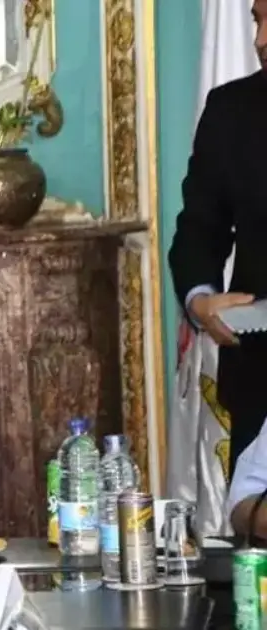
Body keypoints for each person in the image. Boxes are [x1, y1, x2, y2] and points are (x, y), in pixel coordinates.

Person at [167, 0, 267, 472]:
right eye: (257, 20)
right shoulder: (230, 111)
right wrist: (200, 300)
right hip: (260, 386)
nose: (261, 40)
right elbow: (198, 229)